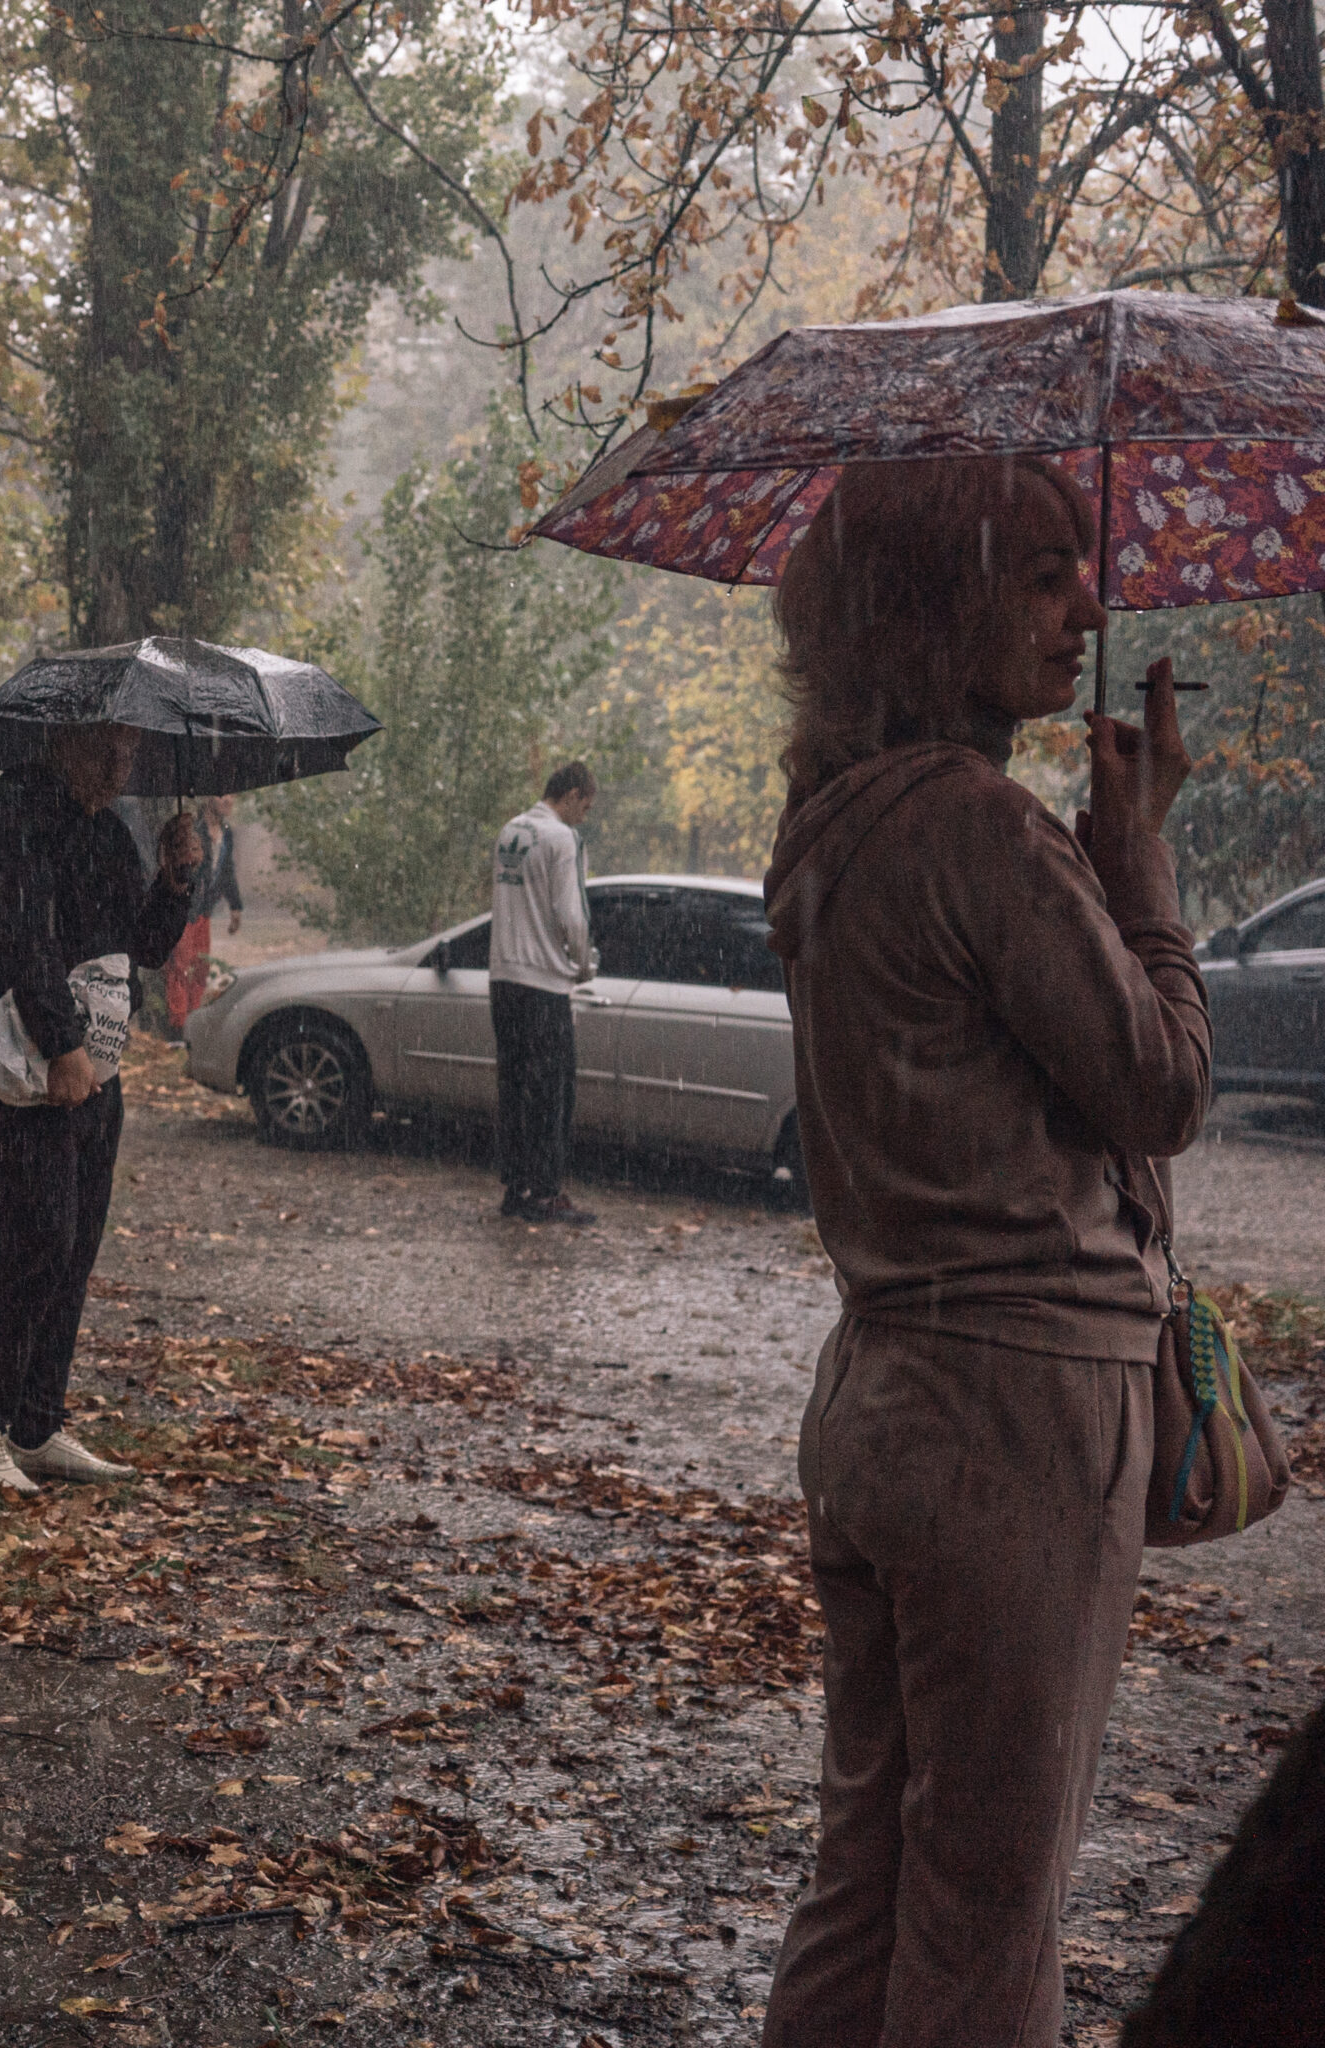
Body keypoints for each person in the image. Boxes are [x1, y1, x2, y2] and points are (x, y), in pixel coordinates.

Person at [757, 455, 1206, 2048]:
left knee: (868, 1878)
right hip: (1019, 1416)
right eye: (1038, 575)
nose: (1087, 609)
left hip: (883, 1396)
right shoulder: (979, 830)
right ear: (928, 606)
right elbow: (1161, 1085)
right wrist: (1139, 868)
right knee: (990, 1918)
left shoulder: (832, 827)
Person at [0, 723, 201, 1496]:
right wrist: (61, 1045)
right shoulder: (16, 810)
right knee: (36, 1243)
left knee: (77, 1247)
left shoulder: (110, 830)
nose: (121, 766)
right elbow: (23, 935)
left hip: (96, 1068)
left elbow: (145, 947)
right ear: (63, 741)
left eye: (128, 754)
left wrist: (177, 879)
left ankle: (35, 1423)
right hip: (29, 1063)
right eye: (107, 750)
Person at [490, 761, 597, 1226]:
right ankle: (548, 1193)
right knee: (552, 1092)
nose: (584, 817)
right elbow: (571, 914)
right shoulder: (562, 839)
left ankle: (516, 1188)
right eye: (585, 807)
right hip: (544, 983)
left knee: (513, 1085)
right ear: (571, 795)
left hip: (504, 979)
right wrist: (584, 963)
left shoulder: (509, 832)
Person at [161, 792, 243, 1041]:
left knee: (200, 966)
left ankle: (193, 1023)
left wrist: (235, 906)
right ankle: (178, 1027)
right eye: (221, 795)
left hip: (205, 910)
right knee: (179, 966)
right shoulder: (194, 831)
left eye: (231, 795)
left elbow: (226, 871)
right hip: (186, 909)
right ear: (209, 799)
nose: (228, 800)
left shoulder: (227, 833)